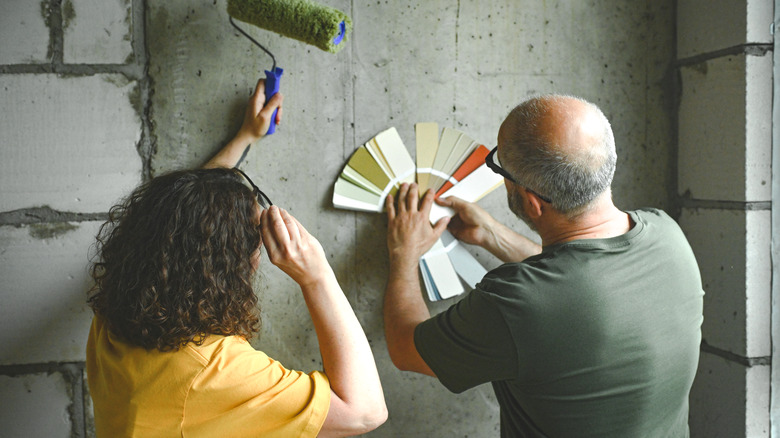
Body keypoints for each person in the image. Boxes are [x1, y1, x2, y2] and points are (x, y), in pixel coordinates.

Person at [383, 95, 704, 437]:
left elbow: (405, 348)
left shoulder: (514, 303)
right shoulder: (667, 233)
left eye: (497, 164)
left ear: (533, 203)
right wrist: (494, 235)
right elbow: (578, 283)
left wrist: (403, 255)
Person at [86, 78, 387, 437]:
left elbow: (185, 214)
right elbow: (365, 413)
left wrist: (246, 135)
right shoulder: (216, 372)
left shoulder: (114, 314)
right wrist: (317, 275)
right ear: (229, 269)